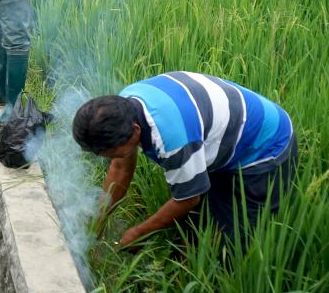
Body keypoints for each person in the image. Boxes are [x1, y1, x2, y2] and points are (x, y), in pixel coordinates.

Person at [72, 71, 297, 246]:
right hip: (221, 136)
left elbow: (188, 199)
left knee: (237, 238)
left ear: (136, 131)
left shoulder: (172, 139)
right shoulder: (122, 106)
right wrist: (98, 220)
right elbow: (120, 169)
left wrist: (137, 233)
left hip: (264, 148)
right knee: (202, 223)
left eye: (110, 152)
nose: (108, 158)